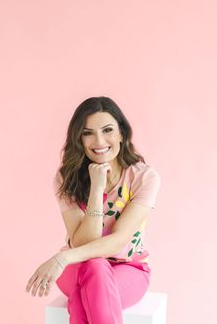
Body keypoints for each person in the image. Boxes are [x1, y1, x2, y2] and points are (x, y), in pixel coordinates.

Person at [25, 96, 161, 324]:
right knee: (95, 267)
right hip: (77, 267)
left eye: (107, 130)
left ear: (121, 133)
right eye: (88, 133)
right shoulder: (66, 178)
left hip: (128, 268)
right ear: (79, 138)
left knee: (84, 294)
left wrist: (62, 258)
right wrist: (97, 189)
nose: (99, 141)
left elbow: (118, 241)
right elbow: (82, 242)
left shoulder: (143, 177)